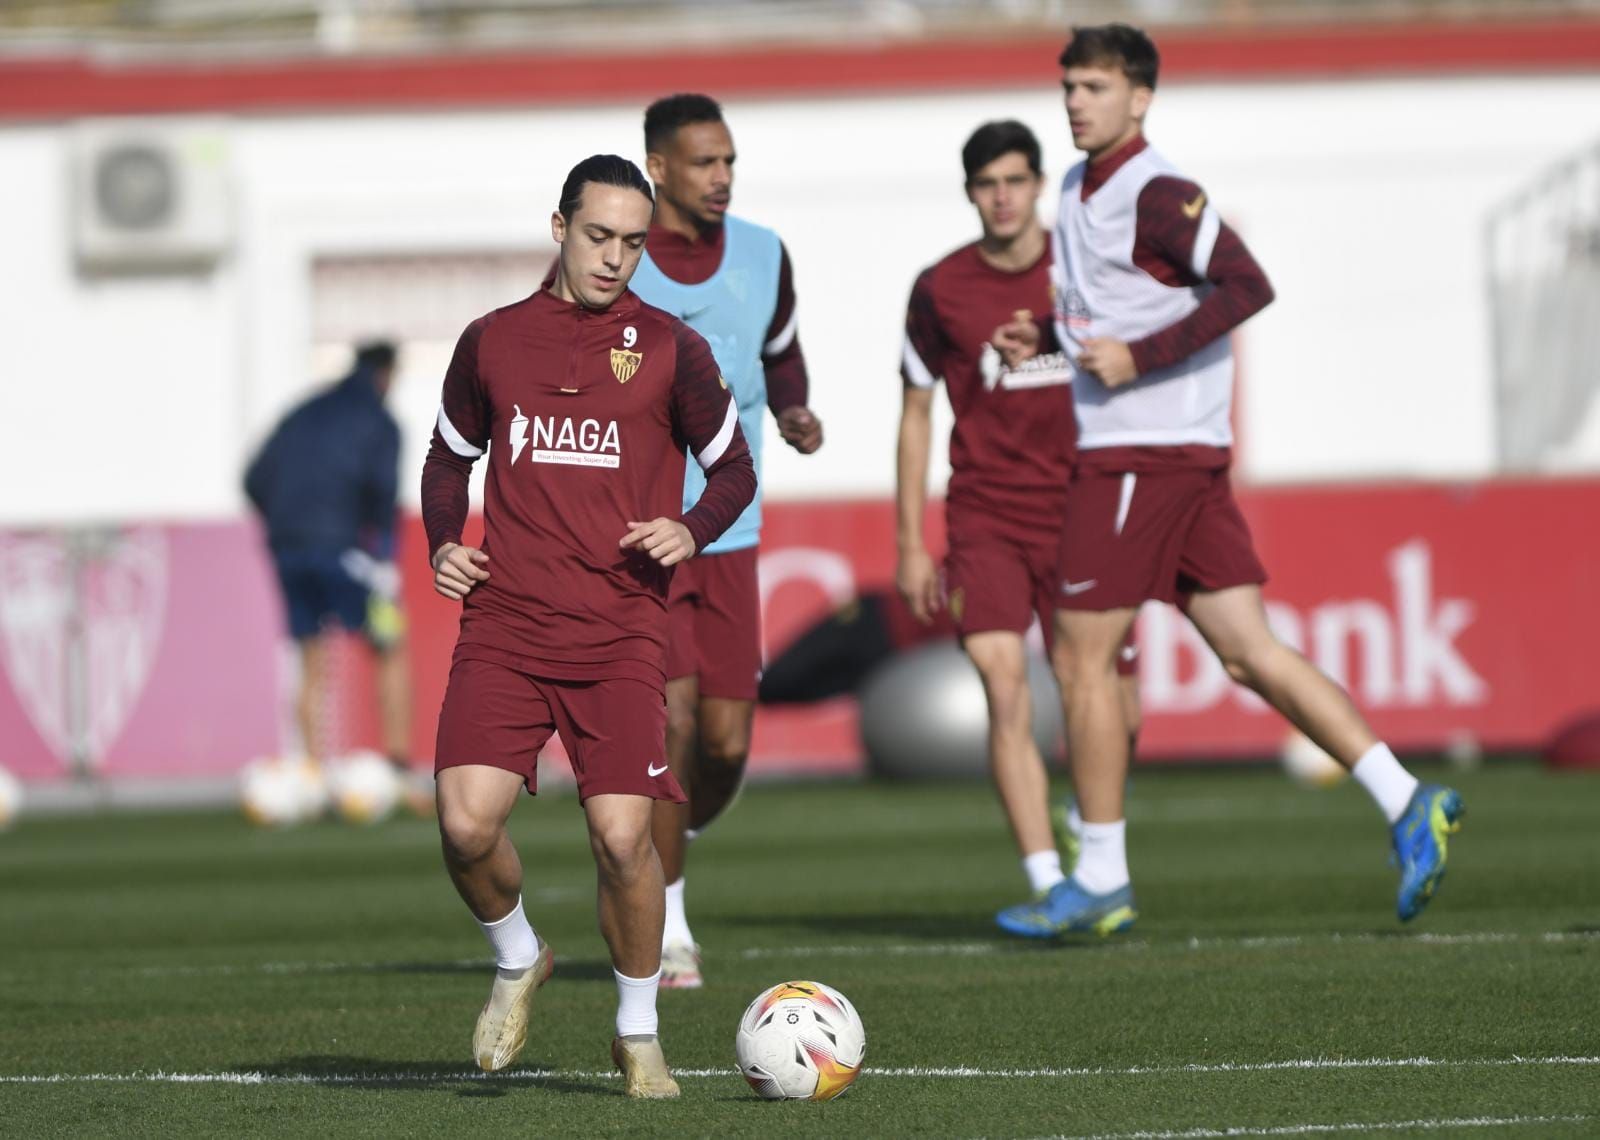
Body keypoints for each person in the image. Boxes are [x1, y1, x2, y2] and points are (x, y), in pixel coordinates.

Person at [992, 24, 1464, 937]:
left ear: (1141, 98)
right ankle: (1407, 797)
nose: (1077, 101)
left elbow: (1247, 284)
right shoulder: (1076, 184)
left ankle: (1099, 879)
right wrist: (1048, 340)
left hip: (1142, 454)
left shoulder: (1160, 190)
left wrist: (1142, 358)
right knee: (1249, 651)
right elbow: (1113, 316)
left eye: (1095, 86)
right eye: (1070, 86)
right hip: (1175, 458)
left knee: (1080, 659)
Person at [419, 154, 755, 1097]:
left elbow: (735, 471)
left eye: (633, 242)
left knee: (621, 839)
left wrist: (690, 527)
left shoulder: (670, 348)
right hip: (509, 625)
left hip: (618, 632)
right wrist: (446, 539)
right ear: (559, 226)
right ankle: (519, 955)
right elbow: (446, 462)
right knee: (464, 825)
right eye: (599, 236)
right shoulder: (491, 341)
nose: (615, 258)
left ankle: (638, 1033)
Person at [897, 120, 1141, 915]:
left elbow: (1136, 368)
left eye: (1014, 180)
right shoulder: (939, 288)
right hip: (986, 517)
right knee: (1006, 689)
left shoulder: (1085, 270)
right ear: (971, 193)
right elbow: (916, 411)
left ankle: (1085, 819)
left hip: (1084, 506)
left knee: (1114, 708)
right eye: (985, 183)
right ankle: (1046, 880)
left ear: (1039, 184)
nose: (1001, 196)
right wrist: (909, 543)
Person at [629, 93, 825, 990]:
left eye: (730, 162)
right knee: (665, 726)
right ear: (658, 167)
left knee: (728, 743)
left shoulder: (763, 251)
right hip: (645, 540)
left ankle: (669, 841)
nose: (721, 178)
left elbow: (780, 349)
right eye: (704, 162)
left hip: (734, 529)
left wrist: (792, 408)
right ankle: (669, 925)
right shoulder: (618, 263)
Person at [244, 340, 417, 800]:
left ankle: (312, 777)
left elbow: (253, 478)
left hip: (288, 549)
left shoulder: (300, 413)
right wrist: (383, 558)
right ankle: (397, 764)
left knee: (310, 657)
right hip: (346, 550)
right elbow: (383, 494)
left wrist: (287, 523)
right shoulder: (379, 421)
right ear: (386, 375)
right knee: (389, 645)